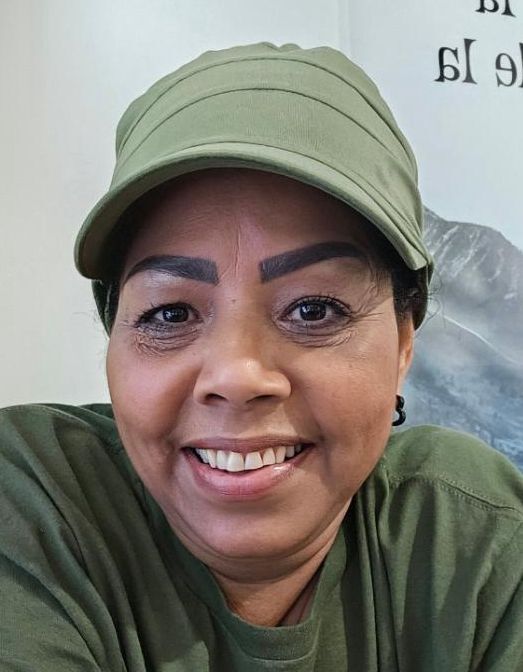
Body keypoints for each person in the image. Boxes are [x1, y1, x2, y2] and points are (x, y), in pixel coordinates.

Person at [0, 42, 521, 672]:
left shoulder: (476, 541)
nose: (237, 376)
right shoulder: (30, 508)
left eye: (314, 309)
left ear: (404, 342)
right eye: (170, 314)